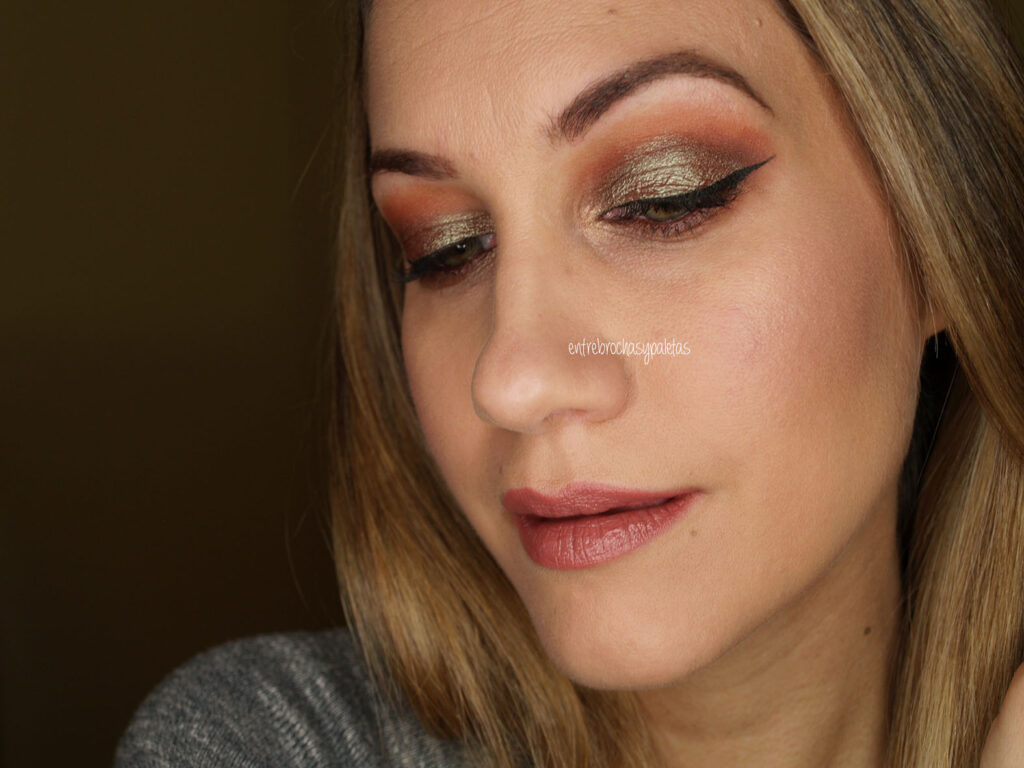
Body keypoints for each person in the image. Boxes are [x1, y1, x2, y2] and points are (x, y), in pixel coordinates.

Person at [115, 0, 1024, 765]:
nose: (509, 382)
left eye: (664, 196)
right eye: (444, 247)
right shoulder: (275, 741)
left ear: (936, 229)